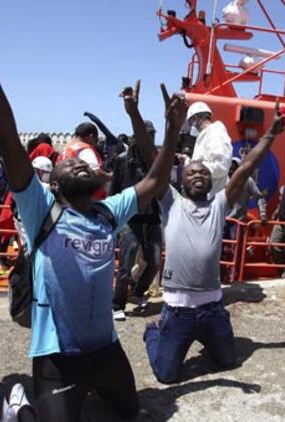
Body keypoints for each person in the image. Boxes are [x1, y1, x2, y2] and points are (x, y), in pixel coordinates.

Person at [0, 4, 187, 421]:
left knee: (130, 412)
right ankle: (18, 402)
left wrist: (173, 130)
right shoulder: (40, 208)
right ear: (54, 182)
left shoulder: (106, 212)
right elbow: (8, 135)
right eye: (68, 163)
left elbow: (155, 183)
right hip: (58, 356)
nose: (79, 162)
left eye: (84, 161)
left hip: (105, 348)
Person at [144, 101, 285, 383]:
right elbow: (155, 162)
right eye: (192, 173)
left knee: (228, 362)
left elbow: (246, 167)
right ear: (180, 181)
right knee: (166, 376)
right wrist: (144, 116)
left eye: (204, 173)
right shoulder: (171, 202)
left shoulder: (219, 204)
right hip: (178, 312)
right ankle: (154, 333)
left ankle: (210, 336)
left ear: (212, 181)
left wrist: (271, 133)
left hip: (212, 309)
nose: (198, 174)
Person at [111, 84, 161, 321]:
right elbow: (114, 190)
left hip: (152, 218)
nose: (148, 139)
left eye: (152, 136)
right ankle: (117, 303)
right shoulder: (122, 160)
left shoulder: (155, 160)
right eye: (145, 135)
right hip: (130, 218)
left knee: (154, 261)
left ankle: (138, 291)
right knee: (126, 262)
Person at [186, 101, 232, 197]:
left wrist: (191, 167)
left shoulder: (215, 133)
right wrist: (188, 163)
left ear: (195, 118)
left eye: (191, 122)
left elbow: (220, 166)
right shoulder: (206, 135)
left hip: (215, 200)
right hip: (206, 199)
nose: (191, 126)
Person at [58, 121, 111, 199]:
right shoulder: (85, 150)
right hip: (87, 198)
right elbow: (96, 173)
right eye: (96, 140)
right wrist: (111, 176)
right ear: (91, 136)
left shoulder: (67, 149)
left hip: (68, 195)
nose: (95, 144)